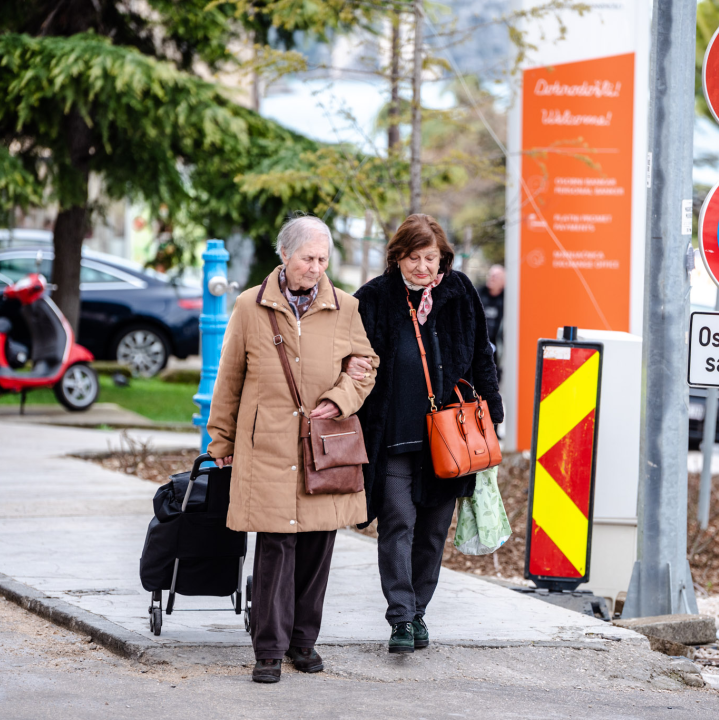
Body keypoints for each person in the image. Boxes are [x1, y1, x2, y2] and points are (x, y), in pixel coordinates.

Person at [206, 215, 379, 684]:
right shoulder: (249, 306)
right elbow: (230, 379)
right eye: (308, 258)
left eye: (323, 259)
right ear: (284, 255)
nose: (316, 268)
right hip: (266, 447)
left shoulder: (344, 307)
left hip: (323, 449)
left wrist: (338, 399)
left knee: (318, 545)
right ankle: (268, 649)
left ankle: (303, 642)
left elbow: (364, 366)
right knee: (276, 546)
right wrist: (220, 438)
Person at [345, 214, 503, 654]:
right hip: (392, 437)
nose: (421, 267)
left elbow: (480, 356)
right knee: (398, 522)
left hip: (450, 438)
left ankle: (417, 612)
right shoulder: (374, 298)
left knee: (433, 531)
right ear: (397, 257)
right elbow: (348, 354)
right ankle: (399, 618)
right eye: (412, 257)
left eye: (429, 258)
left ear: (442, 258)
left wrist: (491, 409)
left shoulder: (459, 292)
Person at [477, 264, 505, 380]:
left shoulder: (507, 299)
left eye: (496, 276)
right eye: (490, 275)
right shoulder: (479, 293)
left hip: (498, 349)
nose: (492, 278)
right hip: (479, 345)